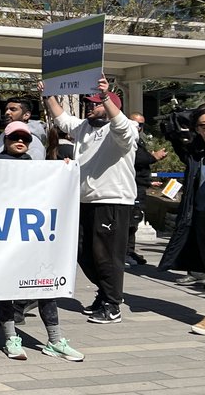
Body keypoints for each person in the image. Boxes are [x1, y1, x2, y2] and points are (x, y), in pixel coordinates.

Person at [44, 77, 138, 325]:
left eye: (95, 104)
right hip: (84, 201)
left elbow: (120, 126)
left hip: (112, 201)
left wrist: (106, 97)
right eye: (90, 103)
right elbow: (62, 118)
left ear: (110, 107)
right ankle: (105, 293)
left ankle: (113, 304)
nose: (90, 107)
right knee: (84, 253)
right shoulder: (85, 127)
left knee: (107, 256)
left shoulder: (124, 128)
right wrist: (48, 94)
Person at [0, 122, 84, 362]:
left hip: (33, 238)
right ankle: (11, 337)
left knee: (46, 286)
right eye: (15, 137)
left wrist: (62, 172)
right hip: (3, 236)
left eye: (25, 138)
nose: (20, 141)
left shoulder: (37, 167)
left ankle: (55, 340)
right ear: (6, 139)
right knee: (5, 288)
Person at [159, 105, 205, 335]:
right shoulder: (196, 153)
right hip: (201, 216)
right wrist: (187, 114)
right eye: (203, 125)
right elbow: (171, 129)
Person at [127, 112, 166, 266]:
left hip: (140, 186)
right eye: (136, 124)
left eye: (141, 125)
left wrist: (149, 182)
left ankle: (129, 251)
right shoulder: (126, 140)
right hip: (131, 188)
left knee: (134, 221)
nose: (139, 128)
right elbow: (135, 159)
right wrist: (153, 157)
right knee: (129, 222)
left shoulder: (138, 141)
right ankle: (124, 253)